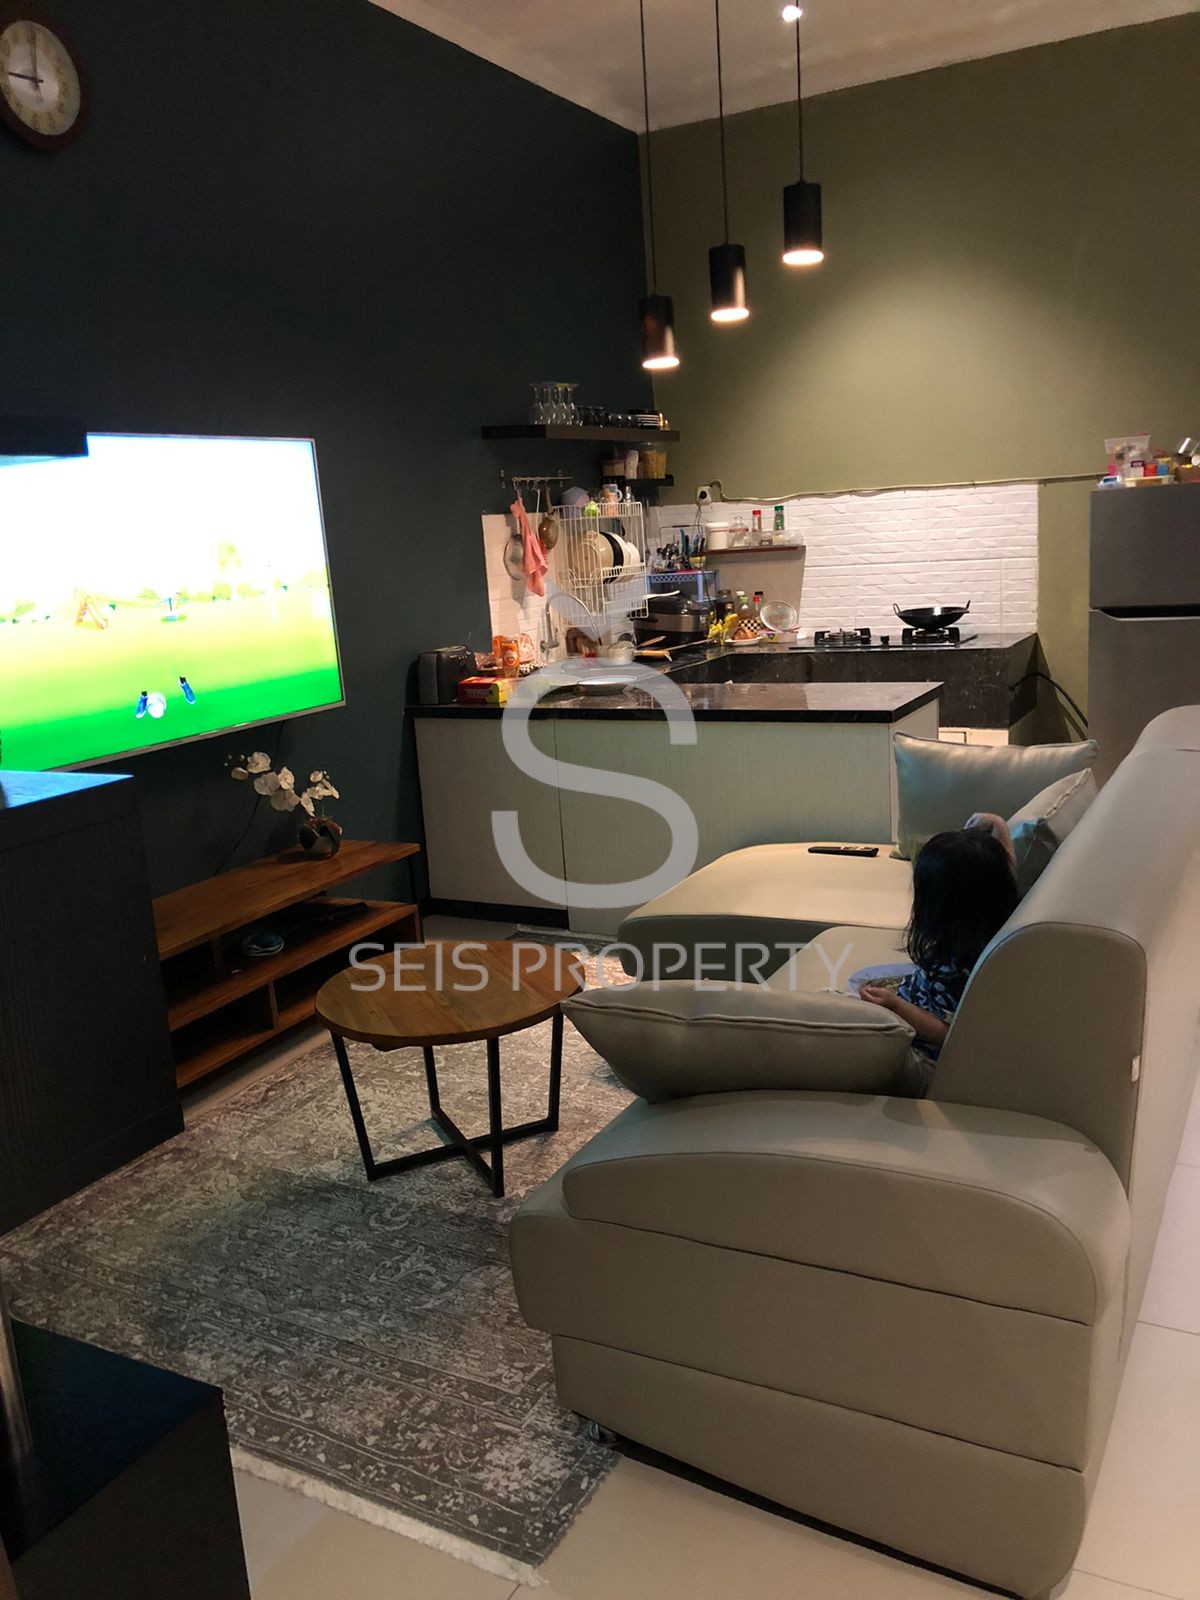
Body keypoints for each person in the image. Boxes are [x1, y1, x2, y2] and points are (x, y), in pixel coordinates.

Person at [859, 814, 1018, 1091]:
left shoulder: (964, 968)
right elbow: (1008, 873)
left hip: (928, 1058)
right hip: (910, 1020)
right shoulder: (995, 922)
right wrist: (998, 826)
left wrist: (895, 1006)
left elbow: (953, 1036)